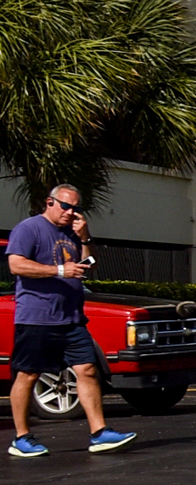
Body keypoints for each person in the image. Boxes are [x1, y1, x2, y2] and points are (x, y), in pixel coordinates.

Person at [9, 184, 135, 456]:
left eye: (76, 208)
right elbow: (16, 264)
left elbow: (89, 265)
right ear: (50, 202)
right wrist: (58, 270)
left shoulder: (72, 233)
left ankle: (99, 433)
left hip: (72, 318)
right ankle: (21, 438)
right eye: (65, 206)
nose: (70, 212)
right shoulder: (29, 228)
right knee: (28, 374)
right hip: (38, 317)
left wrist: (85, 237)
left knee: (88, 370)